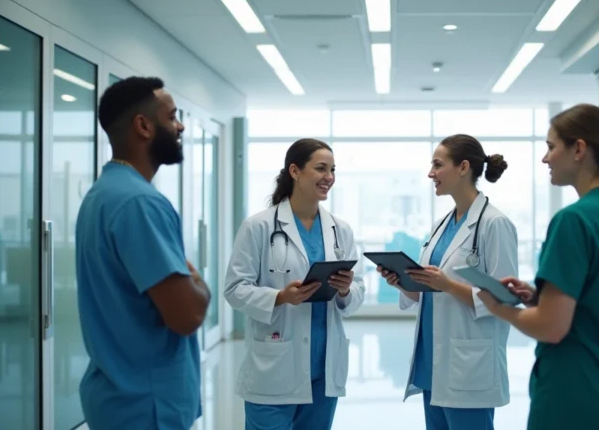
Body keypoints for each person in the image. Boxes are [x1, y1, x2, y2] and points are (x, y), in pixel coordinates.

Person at [477, 103, 599, 429]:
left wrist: (497, 306)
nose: (545, 158)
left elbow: (551, 327)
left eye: (551, 147)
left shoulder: (574, 221)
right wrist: (537, 296)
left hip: (576, 399)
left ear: (579, 149)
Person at [75, 76, 210, 429]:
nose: (180, 126)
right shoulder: (140, 203)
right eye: (172, 116)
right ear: (143, 125)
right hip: (147, 407)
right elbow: (187, 316)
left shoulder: (102, 194)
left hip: (116, 397)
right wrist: (199, 283)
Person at [377, 134, 518, 429]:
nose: (431, 173)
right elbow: (429, 292)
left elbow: (504, 299)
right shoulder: (442, 224)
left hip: (469, 366)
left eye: (437, 165)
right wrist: (402, 282)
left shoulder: (494, 223)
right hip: (435, 363)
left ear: (463, 167)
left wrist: (448, 285)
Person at [224, 138, 365, 430]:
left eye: (333, 170)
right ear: (295, 171)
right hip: (275, 365)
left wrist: (345, 290)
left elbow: (357, 291)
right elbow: (235, 288)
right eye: (321, 168)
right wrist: (279, 297)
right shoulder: (258, 226)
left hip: (323, 369)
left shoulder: (341, 230)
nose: (329, 177)